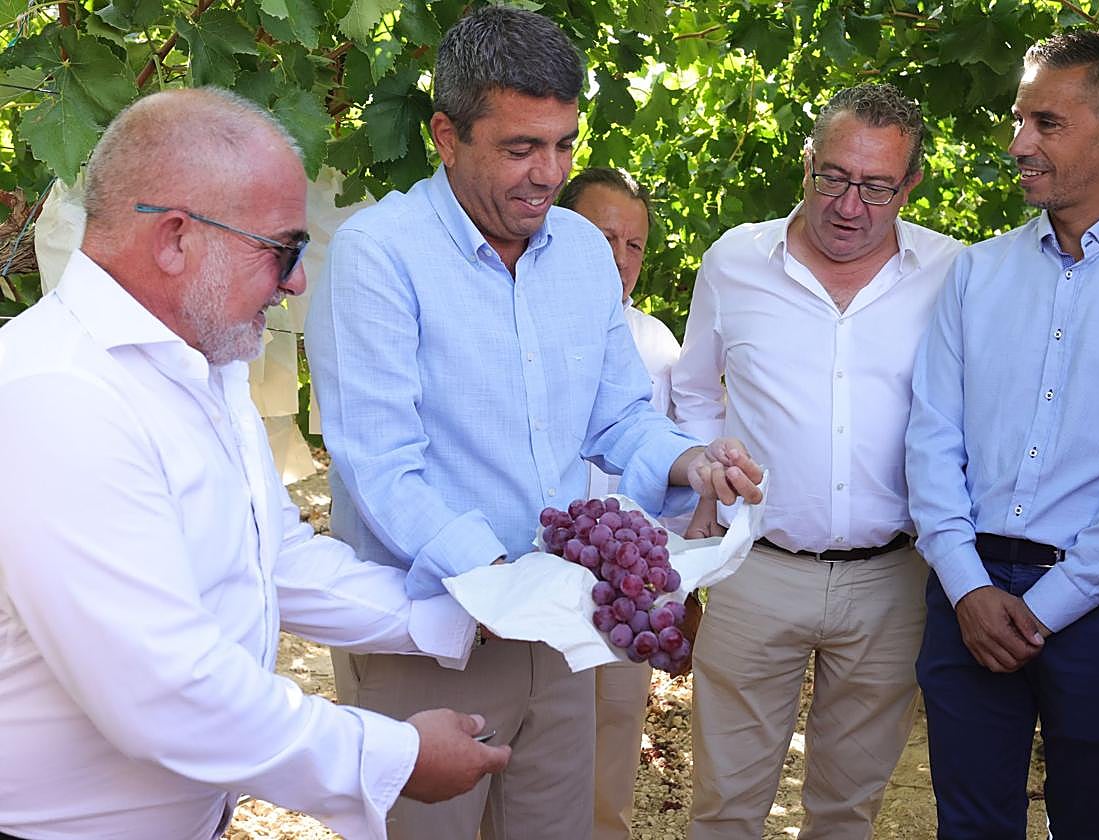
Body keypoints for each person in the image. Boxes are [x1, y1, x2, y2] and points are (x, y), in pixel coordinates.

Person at [303, 8, 764, 840]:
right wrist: (498, 583)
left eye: (562, 144)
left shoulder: (583, 251)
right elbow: (381, 467)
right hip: (430, 639)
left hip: (558, 633)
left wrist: (692, 462)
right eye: (520, 148)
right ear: (447, 135)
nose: (548, 174)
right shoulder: (380, 256)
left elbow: (618, 418)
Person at [0, 88, 510, 840]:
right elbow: (165, 692)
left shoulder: (203, 366)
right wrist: (392, 757)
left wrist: (467, 613)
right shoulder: (57, 393)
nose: (299, 281)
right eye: (283, 249)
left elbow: (270, 561)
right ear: (176, 238)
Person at [906, 29, 1099, 839]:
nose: (1018, 143)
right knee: (969, 826)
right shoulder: (977, 272)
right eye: (1017, 119)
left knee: (1098, 825)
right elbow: (931, 440)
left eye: (1045, 123)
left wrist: (1051, 605)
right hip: (968, 595)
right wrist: (966, 586)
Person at [672, 83, 962, 839]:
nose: (848, 205)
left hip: (892, 582)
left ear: (911, 185)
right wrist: (707, 468)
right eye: (831, 176)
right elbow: (694, 392)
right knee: (726, 806)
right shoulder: (735, 260)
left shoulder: (951, 274)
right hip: (754, 570)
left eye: (875, 187)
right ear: (806, 162)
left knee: (846, 810)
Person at [558, 166, 687, 840]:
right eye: (602, 236)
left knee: (610, 756)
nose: (619, 258)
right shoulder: (519, 325)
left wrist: (671, 592)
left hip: (621, 593)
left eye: (633, 244)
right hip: (535, 585)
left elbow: (666, 468)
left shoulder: (657, 345)